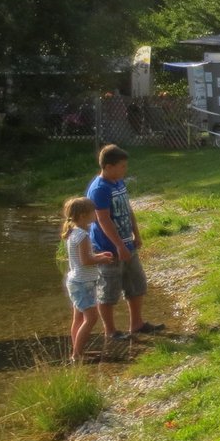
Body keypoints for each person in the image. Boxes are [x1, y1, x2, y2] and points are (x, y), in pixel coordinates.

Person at [89, 144, 159, 339]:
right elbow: (103, 220)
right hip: (109, 250)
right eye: (122, 166)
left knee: (136, 284)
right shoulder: (99, 189)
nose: (125, 170)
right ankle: (110, 331)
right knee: (108, 291)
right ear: (108, 167)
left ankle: (136, 324)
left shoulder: (118, 183)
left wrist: (136, 234)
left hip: (128, 244)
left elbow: (128, 210)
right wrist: (119, 246)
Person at [60, 196, 113, 361]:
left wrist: (98, 255)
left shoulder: (73, 232)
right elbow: (86, 261)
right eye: (93, 212)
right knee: (91, 318)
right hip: (83, 283)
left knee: (78, 318)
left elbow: (83, 258)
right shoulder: (83, 236)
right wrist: (102, 259)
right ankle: (77, 354)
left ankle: (77, 350)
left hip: (75, 281)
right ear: (83, 216)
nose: (95, 214)